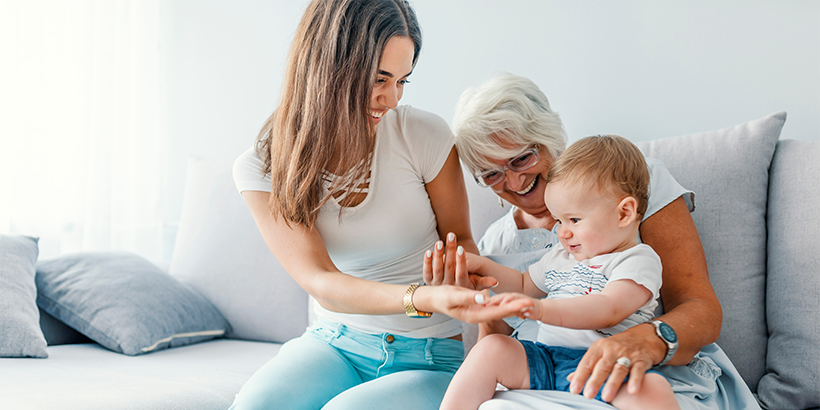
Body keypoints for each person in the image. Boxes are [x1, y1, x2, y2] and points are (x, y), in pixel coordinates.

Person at [228, 1, 513, 409]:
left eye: (402, 81)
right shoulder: (264, 166)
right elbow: (322, 283)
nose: (391, 99)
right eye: (380, 79)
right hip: (335, 345)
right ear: (328, 67)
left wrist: (461, 276)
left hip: (429, 357)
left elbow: (462, 239)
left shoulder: (423, 135)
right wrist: (423, 297)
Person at [426, 72, 761, 409]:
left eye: (521, 158)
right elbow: (499, 345)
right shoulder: (496, 241)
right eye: (492, 174)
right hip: (543, 372)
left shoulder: (627, 186)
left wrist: (644, 340)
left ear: (549, 138)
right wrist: (479, 299)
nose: (514, 180)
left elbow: (700, 308)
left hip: (639, 369)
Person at [439, 135, 679, 410]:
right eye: (560, 219)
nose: (562, 232)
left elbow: (608, 308)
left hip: (601, 365)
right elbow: (523, 283)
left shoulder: (637, 260)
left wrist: (541, 311)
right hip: (546, 360)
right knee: (491, 348)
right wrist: (482, 266)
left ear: (624, 213)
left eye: (574, 220)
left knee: (653, 389)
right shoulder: (561, 256)